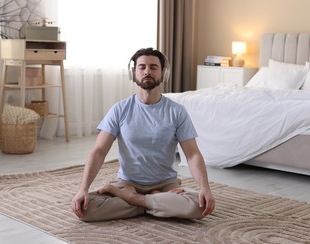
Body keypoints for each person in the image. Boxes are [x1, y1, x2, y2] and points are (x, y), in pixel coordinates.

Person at [71, 48, 215, 222]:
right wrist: (83, 189)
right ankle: (156, 204)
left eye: (154, 67)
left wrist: (204, 188)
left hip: (165, 185)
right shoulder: (120, 109)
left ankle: (134, 201)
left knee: (199, 205)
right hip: (127, 184)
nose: (147, 71)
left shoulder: (177, 111)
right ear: (134, 73)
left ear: (163, 73)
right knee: (86, 209)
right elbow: (99, 150)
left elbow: (192, 154)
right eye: (142, 67)